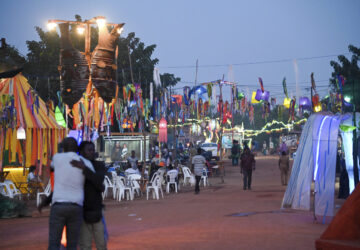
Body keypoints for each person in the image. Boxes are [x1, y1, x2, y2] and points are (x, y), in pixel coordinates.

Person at [48, 137, 94, 250]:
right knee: (72, 243)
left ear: (63, 147)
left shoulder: (57, 158)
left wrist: (59, 150)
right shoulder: (85, 162)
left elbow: (51, 168)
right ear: (77, 148)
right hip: (76, 206)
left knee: (54, 242)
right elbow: (93, 178)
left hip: (58, 205)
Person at [71, 141, 107, 250]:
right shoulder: (75, 167)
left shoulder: (99, 165)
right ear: (81, 152)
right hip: (82, 211)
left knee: (101, 243)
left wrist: (85, 169)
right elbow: (99, 185)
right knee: (85, 245)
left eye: (93, 149)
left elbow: (98, 180)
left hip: (96, 210)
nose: (92, 152)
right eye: (89, 150)